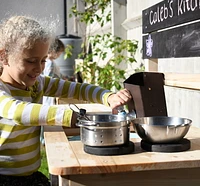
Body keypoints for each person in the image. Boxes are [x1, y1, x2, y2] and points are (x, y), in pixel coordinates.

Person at [0, 15, 132, 186]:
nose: (39, 68)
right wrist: (68, 116)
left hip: (29, 175)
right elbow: (19, 112)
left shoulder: (38, 83)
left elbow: (77, 89)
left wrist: (108, 97)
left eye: (43, 61)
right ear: (3, 56)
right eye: (31, 61)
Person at [41, 38, 65, 145]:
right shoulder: (49, 63)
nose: (59, 55)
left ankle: (43, 138)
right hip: (50, 94)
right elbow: (49, 77)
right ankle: (44, 138)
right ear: (54, 51)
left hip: (47, 93)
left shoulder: (47, 61)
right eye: (59, 53)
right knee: (47, 113)